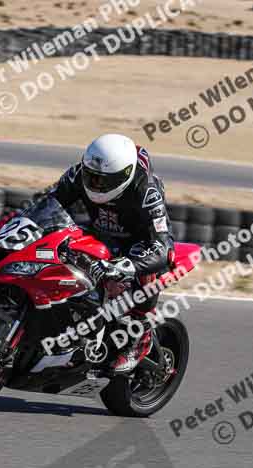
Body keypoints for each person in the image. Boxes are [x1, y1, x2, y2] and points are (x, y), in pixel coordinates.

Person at [46, 133, 174, 373]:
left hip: (138, 242)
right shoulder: (78, 174)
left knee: (140, 268)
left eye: (102, 181)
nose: (94, 184)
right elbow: (48, 204)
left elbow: (163, 248)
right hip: (99, 234)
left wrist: (130, 266)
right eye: (91, 177)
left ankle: (140, 336)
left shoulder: (145, 191)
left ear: (124, 176)